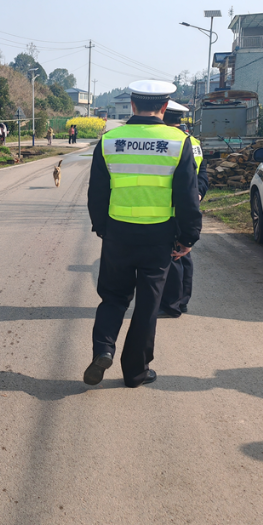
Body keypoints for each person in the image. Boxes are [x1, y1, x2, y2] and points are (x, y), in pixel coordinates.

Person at [85, 81, 202, 388]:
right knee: (148, 304)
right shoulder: (178, 141)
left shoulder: (110, 140)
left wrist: (102, 228)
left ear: (133, 106)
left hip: (118, 233)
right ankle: (136, 372)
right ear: (164, 108)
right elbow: (187, 196)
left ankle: (104, 349)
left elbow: (97, 192)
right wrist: (188, 238)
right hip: (159, 237)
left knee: (112, 297)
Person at [158, 100, 208, 317]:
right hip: (189, 203)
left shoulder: (170, 142)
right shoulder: (194, 141)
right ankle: (183, 300)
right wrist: (199, 192)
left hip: (173, 206)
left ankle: (172, 304)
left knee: (175, 255)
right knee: (184, 254)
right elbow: (203, 174)